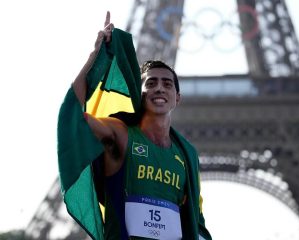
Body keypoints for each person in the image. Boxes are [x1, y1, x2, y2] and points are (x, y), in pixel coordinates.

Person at [59, 11, 212, 240]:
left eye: (167, 84)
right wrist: (95, 57)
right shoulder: (121, 135)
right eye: (151, 83)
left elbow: (194, 217)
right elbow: (77, 119)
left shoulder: (186, 153)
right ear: (140, 95)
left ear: (177, 97)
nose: (159, 88)